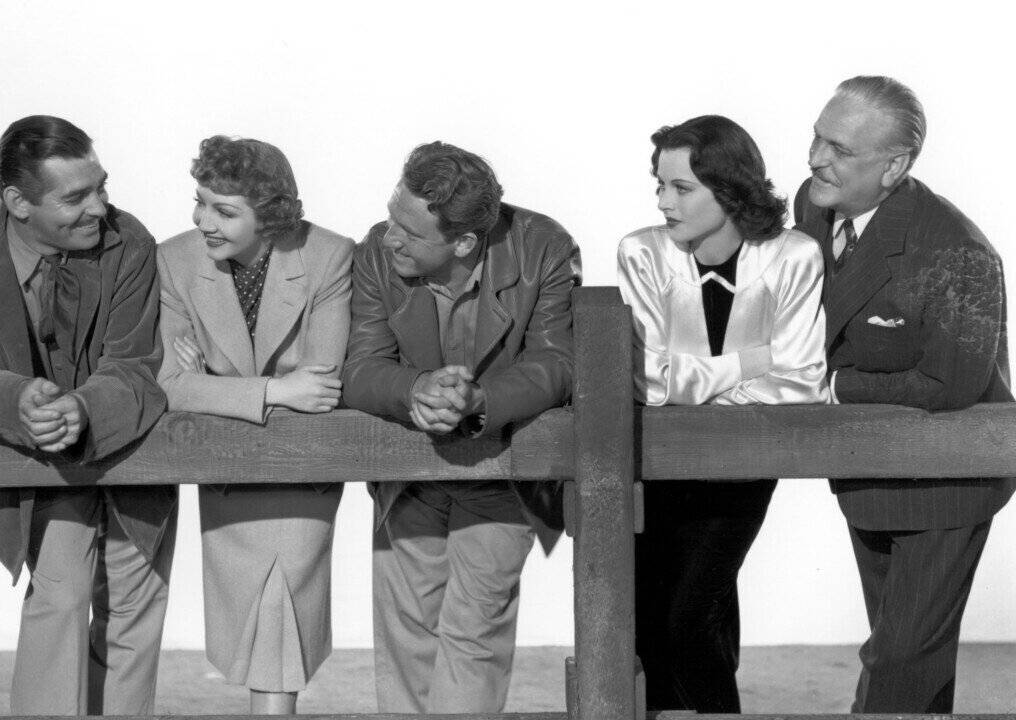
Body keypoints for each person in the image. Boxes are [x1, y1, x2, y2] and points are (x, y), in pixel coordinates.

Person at [0, 116, 174, 714]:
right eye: (76, 197)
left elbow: (135, 365)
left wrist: (83, 407)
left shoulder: (129, 241)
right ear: (17, 203)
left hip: (133, 443)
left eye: (101, 187)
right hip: (37, 460)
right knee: (61, 591)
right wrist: (16, 400)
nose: (100, 209)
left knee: (135, 601)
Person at [795, 75, 1014, 713]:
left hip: (948, 481)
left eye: (839, 149)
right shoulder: (815, 206)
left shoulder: (958, 251)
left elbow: (951, 384)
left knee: (898, 660)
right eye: (816, 137)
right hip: (868, 473)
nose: (815, 157)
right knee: (912, 659)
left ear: (894, 167)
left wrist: (835, 386)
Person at [341, 141, 579, 713]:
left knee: (474, 630)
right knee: (408, 631)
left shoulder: (543, 246)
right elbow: (362, 366)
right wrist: (416, 389)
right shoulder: (376, 252)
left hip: (503, 476)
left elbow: (558, 363)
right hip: (409, 478)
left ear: (465, 242)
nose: (389, 237)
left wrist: (479, 400)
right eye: (392, 217)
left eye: (409, 232)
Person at [617, 114, 829, 712]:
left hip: (746, 466)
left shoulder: (794, 256)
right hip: (657, 463)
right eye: (660, 185)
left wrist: (694, 386)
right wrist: (751, 364)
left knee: (689, 618)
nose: (664, 202)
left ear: (731, 189)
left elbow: (802, 384)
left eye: (681, 188)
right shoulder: (641, 252)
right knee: (656, 619)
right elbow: (647, 380)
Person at [156, 135, 353, 715]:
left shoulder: (328, 255)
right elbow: (169, 385)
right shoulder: (174, 259)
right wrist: (274, 389)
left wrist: (213, 388)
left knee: (282, 606)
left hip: (300, 470)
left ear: (268, 216)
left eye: (224, 210)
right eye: (200, 202)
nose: (203, 221)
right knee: (249, 616)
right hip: (227, 476)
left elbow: (321, 386)